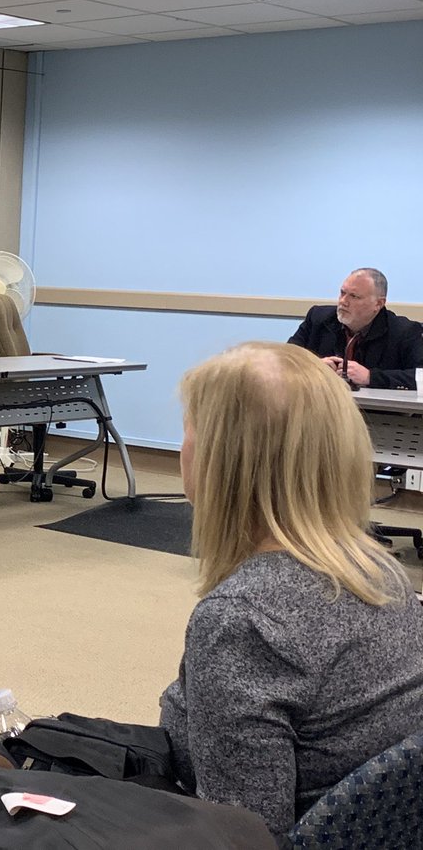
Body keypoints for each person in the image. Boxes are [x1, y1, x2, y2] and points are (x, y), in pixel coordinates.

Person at [160, 341, 423, 843]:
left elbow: (244, 834)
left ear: (223, 459)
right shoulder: (379, 569)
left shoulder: (243, 620)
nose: (181, 449)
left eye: (188, 430)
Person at [287, 267, 423, 389]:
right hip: (322, 403)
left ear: (378, 304)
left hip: (376, 408)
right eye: (342, 293)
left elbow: (420, 376)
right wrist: (314, 366)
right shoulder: (318, 318)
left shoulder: (404, 331)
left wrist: (370, 377)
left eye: (354, 296)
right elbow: (285, 358)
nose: (343, 301)